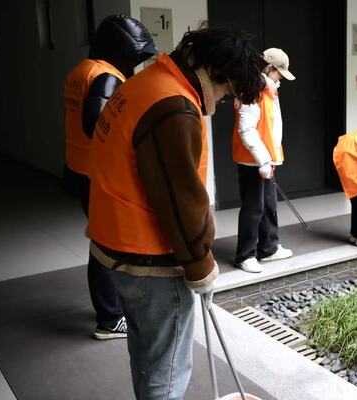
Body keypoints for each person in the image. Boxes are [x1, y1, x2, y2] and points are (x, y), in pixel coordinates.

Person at [88, 28, 265, 399]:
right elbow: (179, 198)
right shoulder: (174, 107)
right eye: (228, 91)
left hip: (116, 244)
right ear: (214, 71)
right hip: (151, 259)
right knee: (167, 371)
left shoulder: (147, 82)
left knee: (147, 353)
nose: (224, 99)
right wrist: (201, 266)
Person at [63, 14, 156, 340]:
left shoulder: (81, 70)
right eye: (134, 57)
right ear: (120, 49)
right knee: (107, 247)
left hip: (78, 169)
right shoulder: (105, 76)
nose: (135, 65)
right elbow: (98, 123)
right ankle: (110, 318)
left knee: (103, 243)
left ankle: (110, 310)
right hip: (96, 175)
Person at [232, 48, 295, 273]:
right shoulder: (253, 90)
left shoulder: (268, 89)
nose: (281, 79)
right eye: (279, 73)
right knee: (253, 208)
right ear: (268, 69)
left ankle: (269, 248)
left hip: (265, 160)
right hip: (253, 161)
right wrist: (263, 161)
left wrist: (269, 160)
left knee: (269, 204)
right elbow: (246, 130)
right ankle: (245, 255)